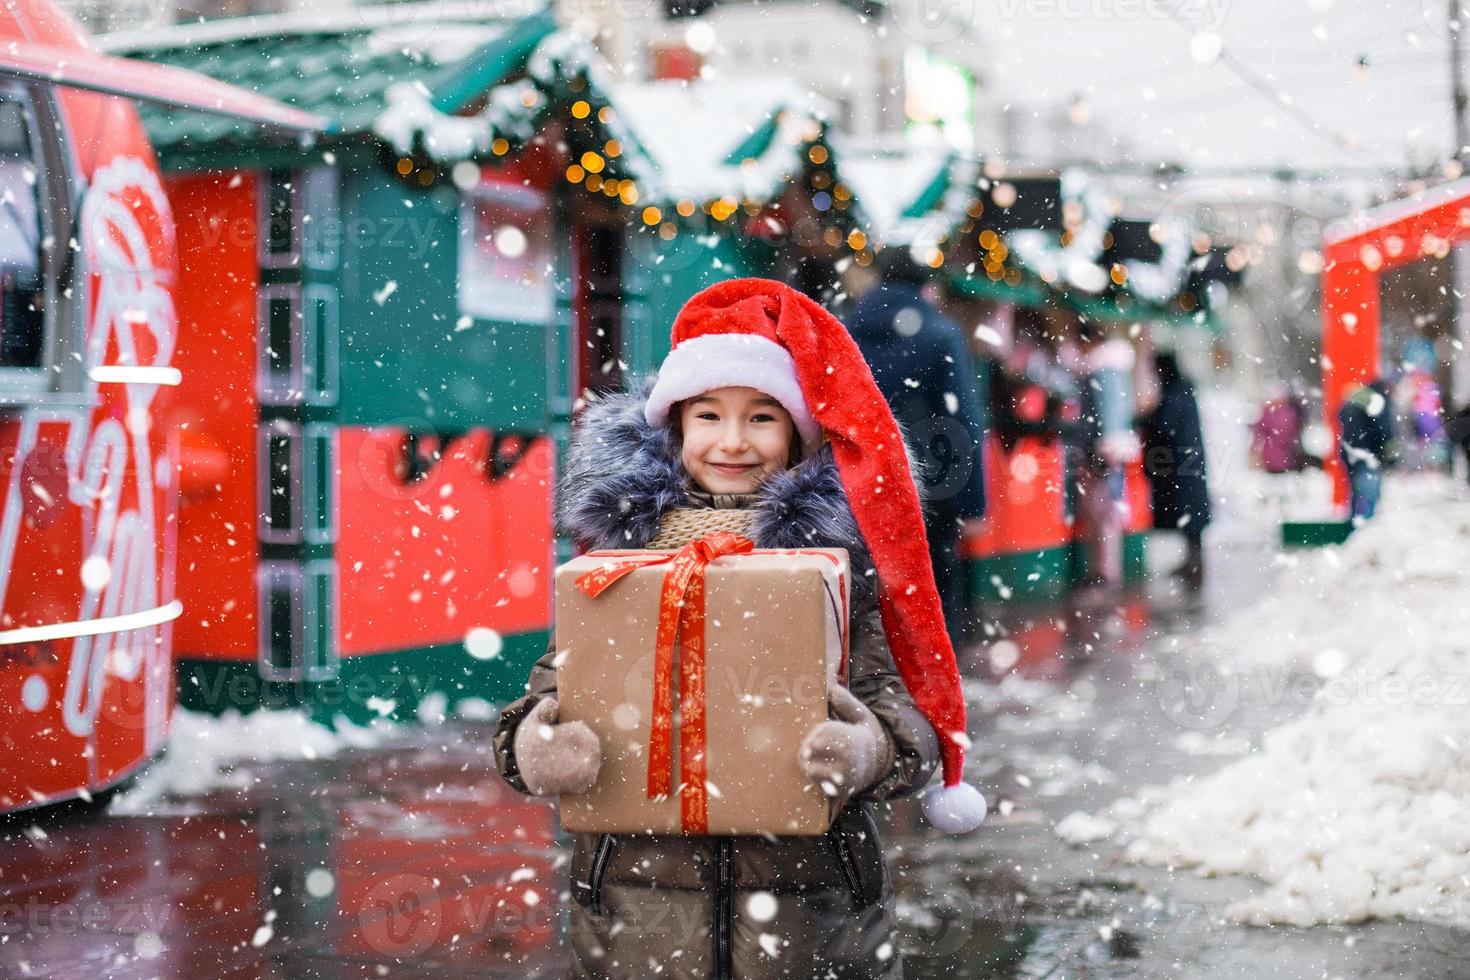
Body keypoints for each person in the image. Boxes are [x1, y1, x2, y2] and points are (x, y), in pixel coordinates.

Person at [492, 278, 987, 979]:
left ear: (795, 435)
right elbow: (544, 699)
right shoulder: (621, 564)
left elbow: (910, 727)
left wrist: (867, 750)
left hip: (811, 914)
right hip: (639, 919)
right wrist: (534, 744)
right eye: (708, 417)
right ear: (675, 428)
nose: (732, 442)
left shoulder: (840, 570)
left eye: (761, 418)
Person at [842, 247, 986, 642]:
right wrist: (972, 502)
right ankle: (935, 680)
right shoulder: (940, 334)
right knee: (935, 588)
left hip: (862, 479)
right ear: (926, 285)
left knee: (870, 588)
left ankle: (878, 681)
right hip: (931, 485)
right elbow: (963, 420)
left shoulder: (847, 329)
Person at [1140, 353, 1211, 590]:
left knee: (1189, 514)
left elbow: (1164, 424)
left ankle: (1194, 565)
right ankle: (1193, 563)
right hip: (1188, 464)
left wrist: (1146, 419)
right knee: (1192, 517)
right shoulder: (1184, 391)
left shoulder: (1175, 394)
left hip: (1183, 466)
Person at [1338, 378, 1394, 523]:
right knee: (1369, 496)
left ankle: (1354, 524)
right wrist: (1386, 449)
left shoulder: (1353, 402)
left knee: (1356, 495)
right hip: (1368, 455)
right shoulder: (1376, 402)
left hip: (1351, 454)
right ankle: (1366, 528)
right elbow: (1382, 429)